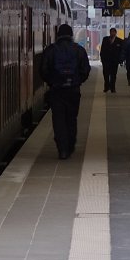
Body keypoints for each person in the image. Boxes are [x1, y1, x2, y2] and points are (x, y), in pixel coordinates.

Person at [40, 23, 91, 159]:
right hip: (73, 91)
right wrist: (77, 81)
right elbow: (86, 70)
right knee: (71, 118)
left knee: (58, 120)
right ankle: (70, 145)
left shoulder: (51, 50)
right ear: (71, 35)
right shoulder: (79, 50)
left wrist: (52, 82)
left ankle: (62, 149)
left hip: (57, 91)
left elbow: (43, 70)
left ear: (58, 35)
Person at [99, 28, 123, 93]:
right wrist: (102, 58)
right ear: (109, 33)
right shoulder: (105, 39)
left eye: (113, 32)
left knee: (113, 75)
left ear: (115, 33)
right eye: (111, 32)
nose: (112, 33)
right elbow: (102, 49)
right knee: (106, 74)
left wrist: (120, 60)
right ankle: (106, 87)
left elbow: (121, 51)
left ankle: (113, 88)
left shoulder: (120, 41)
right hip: (106, 60)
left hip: (114, 61)